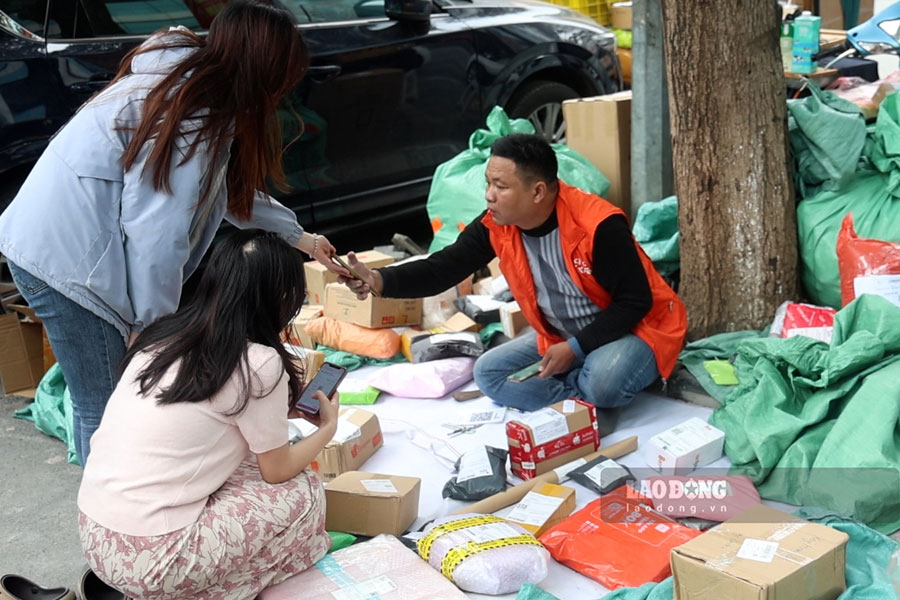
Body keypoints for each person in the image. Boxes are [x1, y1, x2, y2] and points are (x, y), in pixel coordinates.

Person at [0, 0, 345, 466]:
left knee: (118, 394)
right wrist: (153, 328)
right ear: (262, 68)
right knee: (105, 405)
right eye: (283, 78)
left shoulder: (191, 88)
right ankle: (109, 520)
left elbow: (220, 194)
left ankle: (121, 503)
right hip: (66, 263)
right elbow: (157, 237)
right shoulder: (189, 113)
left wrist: (299, 237)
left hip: (61, 244)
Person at [341, 133, 687, 418]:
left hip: (634, 328)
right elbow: (443, 267)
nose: (489, 195)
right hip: (560, 333)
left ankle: (594, 388)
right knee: (488, 373)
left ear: (537, 191)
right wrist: (378, 280)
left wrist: (576, 348)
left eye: (500, 186)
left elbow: (635, 302)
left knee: (604, 381)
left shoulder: (598, 225)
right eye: (488, 183)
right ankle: (580, 404)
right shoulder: (497, 224)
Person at [77, 228, 337, 600]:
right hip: (153, 556)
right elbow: (276, 471)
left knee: (247, 464)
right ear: (280, 299)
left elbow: (202, 415)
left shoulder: (163, 337)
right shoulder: (257, 363)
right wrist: (327, 428)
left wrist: (284, 409)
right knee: (305, 491)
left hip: (96, 533)